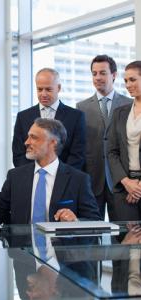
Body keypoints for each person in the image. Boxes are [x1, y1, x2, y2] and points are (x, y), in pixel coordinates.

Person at [0, 118, 100, 225]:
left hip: (60, 243)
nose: (26, 142)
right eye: (28, 137)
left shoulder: (78, 179)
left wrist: (75, 221)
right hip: (22, 242)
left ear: (53, 143)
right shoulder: (15, 176)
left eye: (33, 137)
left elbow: (95, 220)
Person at [77, 54, 131, 220]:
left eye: (102, 73)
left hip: (121, 181)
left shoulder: (128, 104)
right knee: (91, 233)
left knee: (124, 232)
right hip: (93, 180)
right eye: (94, 73)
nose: (97, 77)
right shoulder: (81, 107)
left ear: (113, 75)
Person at [12, 68, 86, 170]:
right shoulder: (23, 117)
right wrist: (32, 175)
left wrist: (60, 176)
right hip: (31, 179)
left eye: (48, 89)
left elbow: (78, 155)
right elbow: (18, 154)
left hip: (64, 179)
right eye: (40, 89)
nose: (43, 94)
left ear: (58, 88)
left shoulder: (76, 116)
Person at [108, 61, 141, 221]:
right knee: (129, 240)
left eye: (132, 80)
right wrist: (127, 183)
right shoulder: (119, 112)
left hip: (137, 187)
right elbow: (112, 152)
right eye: (126, 81)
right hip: (124, 187)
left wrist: (138, 187)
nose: (128, 85)